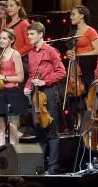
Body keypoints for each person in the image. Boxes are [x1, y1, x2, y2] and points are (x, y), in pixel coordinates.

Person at [24, 22, 66, 174]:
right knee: (39, 130)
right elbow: (31, 75)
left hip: (49, 92)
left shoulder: (50, 51)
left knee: (52, 131)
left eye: (32, 34)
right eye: (28, 34)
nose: (29, 37)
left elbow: (62, 72)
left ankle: (54, 165)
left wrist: (45, 81)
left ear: (41, 34)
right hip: (36, 95)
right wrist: (27, 86)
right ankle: (40, 164)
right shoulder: (31, 53)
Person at [0, 28, 24, 147]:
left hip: (12, 91)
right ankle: (0, 155)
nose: (1, 41)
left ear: (11, 40)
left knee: (13, 126)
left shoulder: (15, 54)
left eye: (4, 38)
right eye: (0, 38)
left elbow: (20, 78)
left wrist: (3, 77)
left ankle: (14, 155)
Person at [65, 5, 98, 88]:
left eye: (73, 14)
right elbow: (74, 49)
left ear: (82, 16)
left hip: (87, 65)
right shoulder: (74, 31)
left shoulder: (91, 31)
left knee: (87, 88)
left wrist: (78, 55)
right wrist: (69, 52)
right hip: (76, 65)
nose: (71, 17)